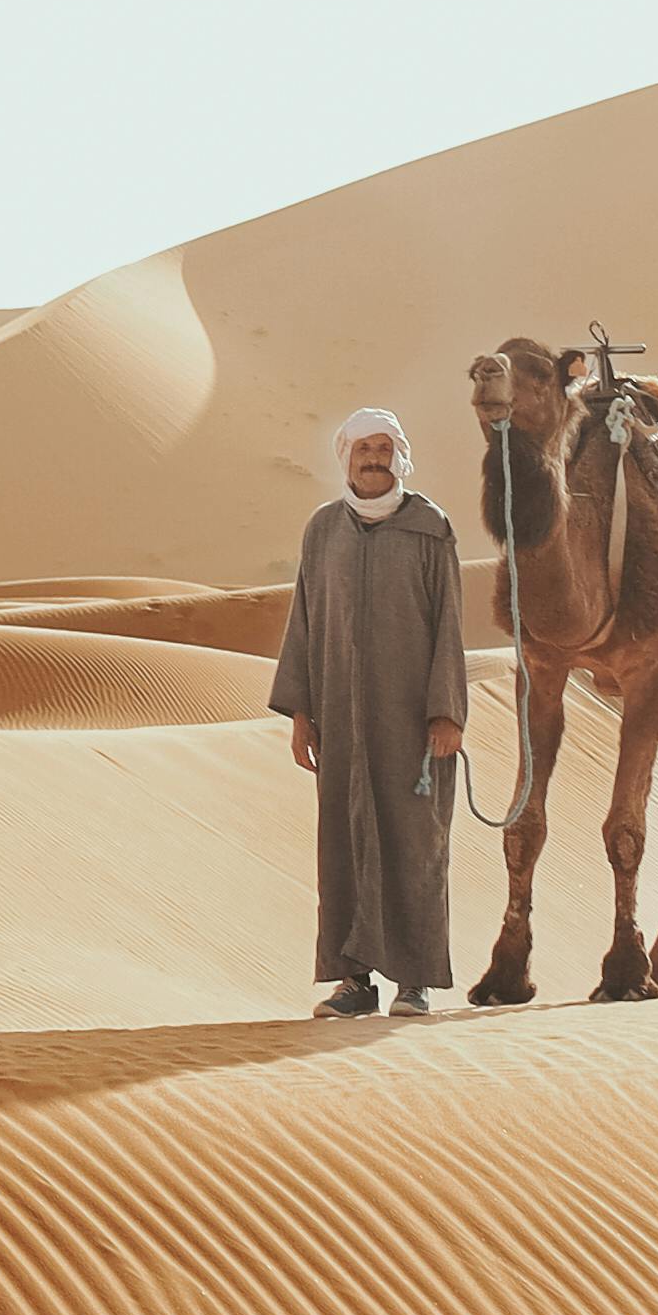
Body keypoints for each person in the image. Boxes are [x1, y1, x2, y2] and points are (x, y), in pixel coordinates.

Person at [271, 405, 467, 1016]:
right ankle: (354, 982)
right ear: (346, 459)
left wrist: (446, 712)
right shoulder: (323, 530)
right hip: (340, 720)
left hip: (412, 724)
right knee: (345, 844)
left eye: (384, 448)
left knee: (416, 845)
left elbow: (449, 625)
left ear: (399, 455)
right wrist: (301, 712)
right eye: (364, 450)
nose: (375, 459)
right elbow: (303, 620)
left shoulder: (429, 527)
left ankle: (415, 980)